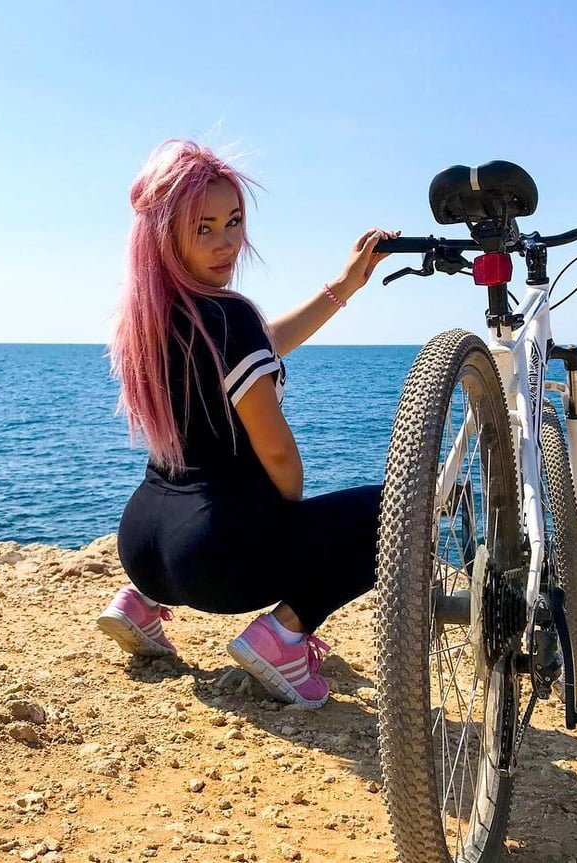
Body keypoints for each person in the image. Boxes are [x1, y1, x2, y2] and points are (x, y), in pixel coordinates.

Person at [96, 139, 399, 709]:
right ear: (164, 233)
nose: (226, 242)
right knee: (401, 509)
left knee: (210, 505)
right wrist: (292, 528)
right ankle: (284, 636)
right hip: (214, 559)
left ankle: (139, 606)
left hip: (141, 544)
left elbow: (261, 344)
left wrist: (344, 287)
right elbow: (280, 455)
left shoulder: (150, 315)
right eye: (203, 227)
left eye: (233, 222)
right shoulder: (229, 315)